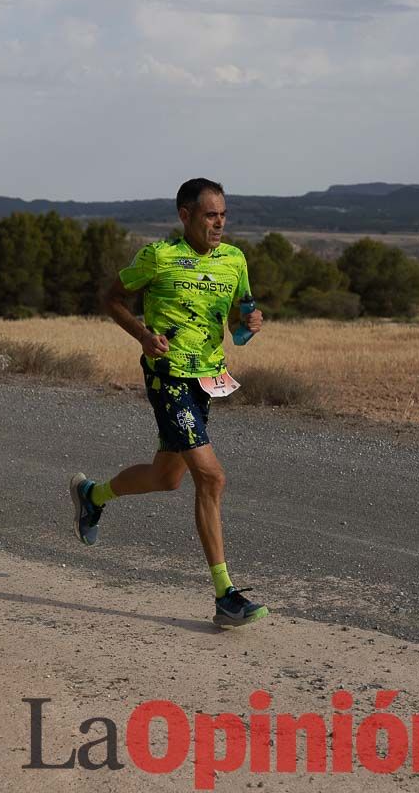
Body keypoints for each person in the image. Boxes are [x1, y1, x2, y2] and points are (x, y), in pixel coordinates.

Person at [69, 178, 268, 628]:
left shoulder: (235, 260)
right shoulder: (158, 257)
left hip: (207, 378)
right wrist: (143, 335)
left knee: (167, 477)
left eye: (223, 215)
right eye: (209, 215)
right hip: (167, 376)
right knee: (211, 478)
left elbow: (237, 326)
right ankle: (226, 595)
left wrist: (249, 325)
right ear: (185, 216)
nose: (218, 223)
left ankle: (92, 494)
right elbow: (111, 297)